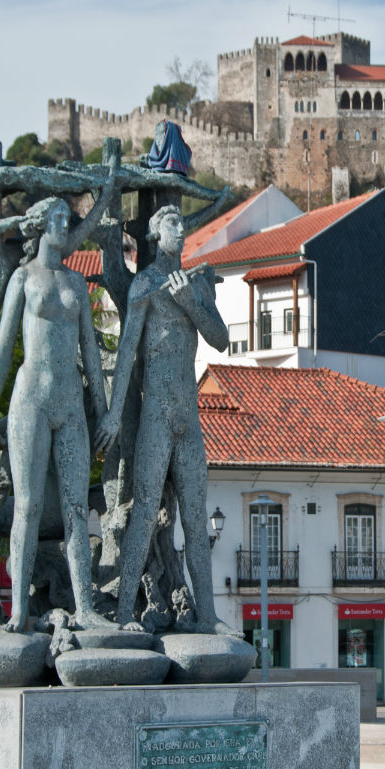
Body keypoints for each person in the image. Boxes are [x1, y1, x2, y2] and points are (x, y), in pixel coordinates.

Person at [0, 197, 113, 631]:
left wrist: (102, 412)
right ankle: (18, 612)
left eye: (69, 219)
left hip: (70, 401)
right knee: (26, 507)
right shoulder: (23, 278)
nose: (65, 226)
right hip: (30, 399)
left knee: (75, 511)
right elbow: (4, 345)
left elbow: (89, 346)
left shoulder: (77, 282)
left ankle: (84, 607)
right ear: (39, 226)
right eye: (57, 219)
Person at [100, 205, 232, 633]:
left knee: (196, 519)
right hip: (156, 413)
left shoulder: (194, 284)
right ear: (157, 235)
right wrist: (114, 414)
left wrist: (190, 302)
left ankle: (208, 617)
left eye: (181, 222)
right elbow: (126, 354)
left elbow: (222, 340)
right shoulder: (145, 283)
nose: (181, 229)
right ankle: (123, 615)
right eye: (172, 222)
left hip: (188, 418)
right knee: (143, 514)